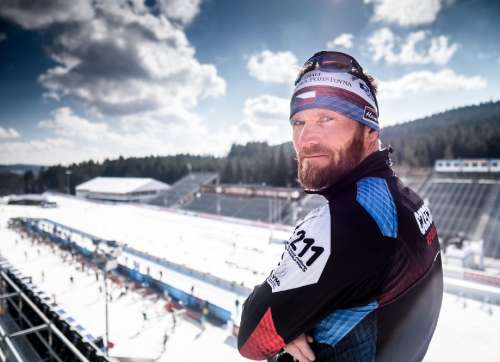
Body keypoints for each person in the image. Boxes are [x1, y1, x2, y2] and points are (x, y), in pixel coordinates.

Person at [237, 51, 443, 362]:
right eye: (298, 122)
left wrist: (291, 328)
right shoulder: (407, 200)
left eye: (327, 118)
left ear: (369, 131)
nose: (306, 139)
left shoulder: (345, 224)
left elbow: (251, 339)